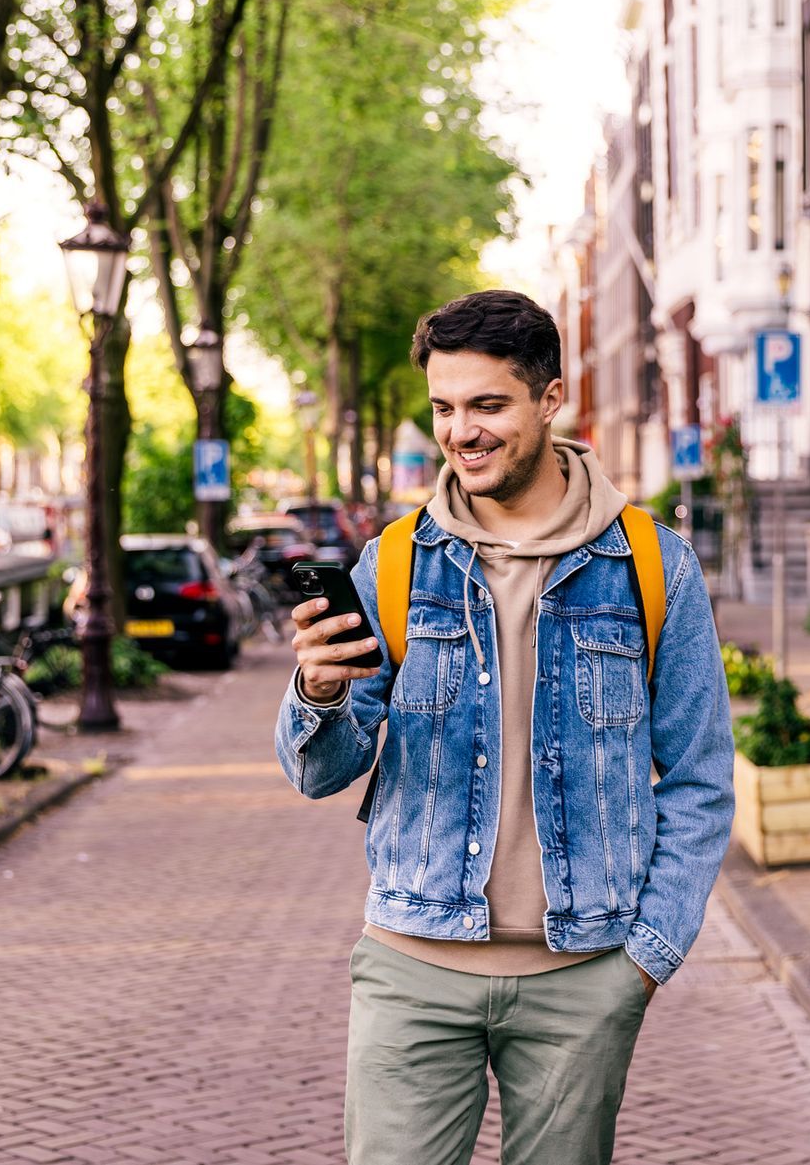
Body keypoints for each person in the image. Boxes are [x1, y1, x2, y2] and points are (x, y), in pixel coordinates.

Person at [274, 290, 734, 1165]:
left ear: (551, 400)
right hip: (412, 966)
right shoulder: (397, 562)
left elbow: (702, 776)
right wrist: (319, 691)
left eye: (488, 405)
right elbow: (321, 772)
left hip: (583, 973)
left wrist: (643, 960)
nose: (461, 431)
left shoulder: (651, 564)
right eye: (445, 407)